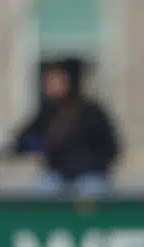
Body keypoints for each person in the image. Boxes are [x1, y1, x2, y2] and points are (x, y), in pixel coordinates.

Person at [12, 58, 122, 197]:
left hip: (88, 175)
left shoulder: (92, 112)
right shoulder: (47, 112)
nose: (50, 85)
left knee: (91, 191)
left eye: (56, 80)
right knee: (41, 190)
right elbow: (23, 140)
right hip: (58, 175)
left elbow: (111, 147)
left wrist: (88, 164)